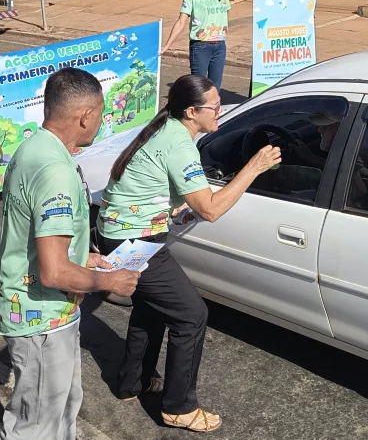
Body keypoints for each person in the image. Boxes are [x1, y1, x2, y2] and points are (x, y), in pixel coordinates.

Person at [98, 75, 281, 433]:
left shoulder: (167, 128)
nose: (220, 110)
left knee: (151, 308)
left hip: (119, 234)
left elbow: (151, 186)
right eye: (215, 106)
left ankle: (132, 383)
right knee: (192, 315)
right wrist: (254, 167)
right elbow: (210, 209)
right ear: (192, 112)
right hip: (135, 240)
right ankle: (179, 408)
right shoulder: (180, 144)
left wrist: (172, 210)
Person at [0, 68, 140, 440]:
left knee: (62, 411)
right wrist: (110, 281)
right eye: (101, 113)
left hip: (48, 314)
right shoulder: (56, 171)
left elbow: (38, 236)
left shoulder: (34, 147)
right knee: (34, 429)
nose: (102, 121)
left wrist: (82, 257)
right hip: (42, 319)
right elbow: (55, 273)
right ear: (85, 116)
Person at [162, 0, 230, 90]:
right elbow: (181, 21)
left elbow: (226, 12)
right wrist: (167, 46)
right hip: (200, 47)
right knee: (199, 89)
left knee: (215, 88)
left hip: (219, 46)